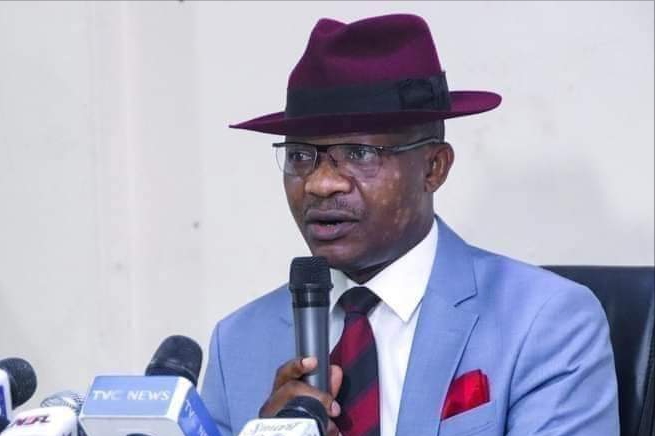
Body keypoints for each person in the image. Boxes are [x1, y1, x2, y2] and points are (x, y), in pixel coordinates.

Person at [201, 13, 619, 436]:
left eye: (359, 154)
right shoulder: (236, 345)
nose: (320, 183)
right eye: (299, 156)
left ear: (434, 168)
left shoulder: (544, 322)